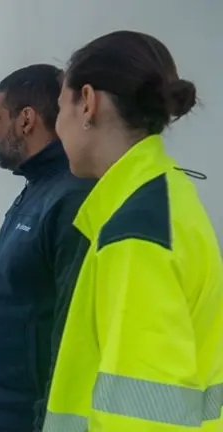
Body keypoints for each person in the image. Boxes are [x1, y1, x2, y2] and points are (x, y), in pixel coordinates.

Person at [42, 30, 223, 431]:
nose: (57, 127)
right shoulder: (160, 198)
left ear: (87, 102)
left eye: (59, 108)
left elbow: (145, 418)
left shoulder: (136, 230)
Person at [0, 64, 96, 432]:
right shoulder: (37, 189)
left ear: (26, 119)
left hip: (30, 419)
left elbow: (69, 327)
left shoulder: (71, 196)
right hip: (0, 411)